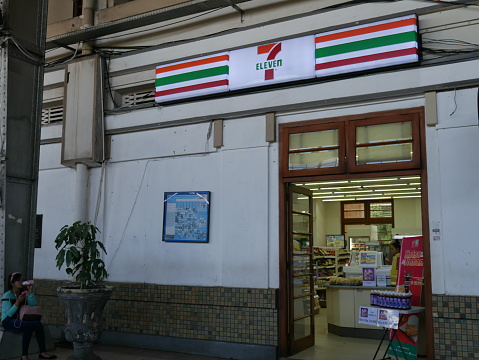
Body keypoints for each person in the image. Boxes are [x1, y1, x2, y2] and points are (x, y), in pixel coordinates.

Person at [1, 272, 57, 360]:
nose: (21, 282)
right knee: (28, 326)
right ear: (12, 283)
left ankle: (43, 352)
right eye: (19, 280)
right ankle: (24, 356)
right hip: (8, 321)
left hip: (20, 319)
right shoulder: (7, 295)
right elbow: (9, 314)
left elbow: (33, 305)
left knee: (38, 324)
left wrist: (30, 292)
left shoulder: (23, 293)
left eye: (22, 280)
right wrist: (17, 302)